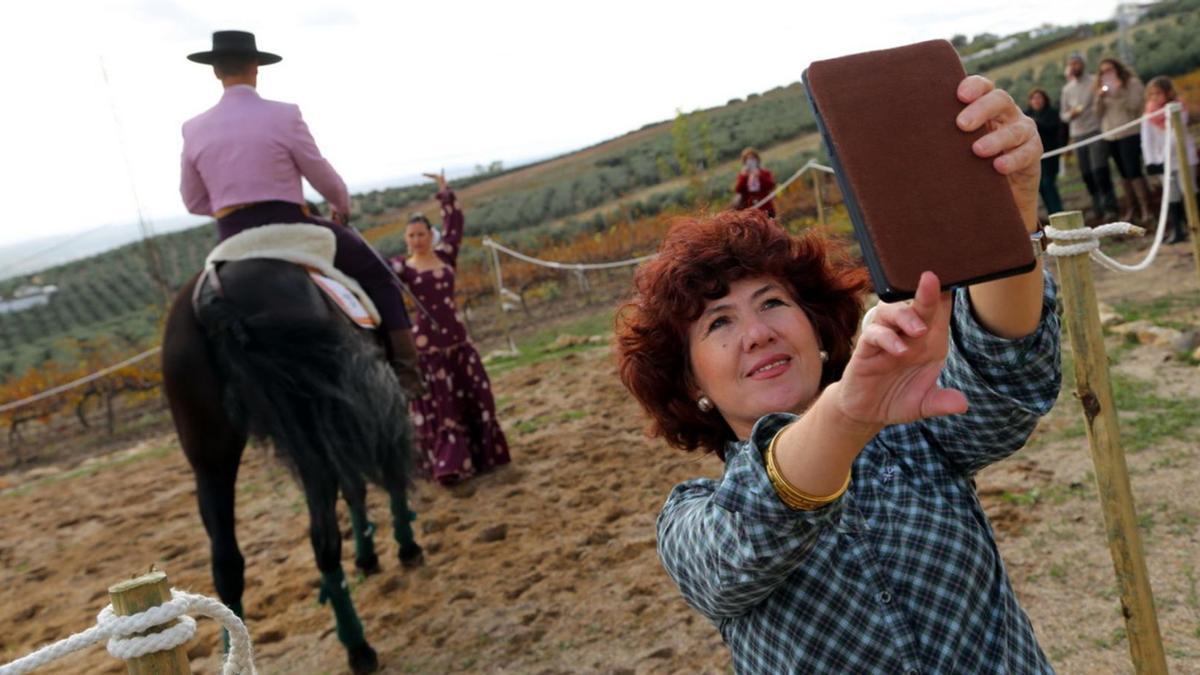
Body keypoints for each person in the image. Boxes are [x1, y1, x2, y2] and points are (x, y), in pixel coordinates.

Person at [615, 75, 1061, 672]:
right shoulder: (693, 521)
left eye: (773, 302)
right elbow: (752, 535)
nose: (758, 332)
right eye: (718, 323)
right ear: (691, 383)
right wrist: (849, 411)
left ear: (818, 331)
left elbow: (1008, 375)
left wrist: (1008, 217)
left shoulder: (916, 438)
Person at [179, 30, 426, 398]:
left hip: (230, 240)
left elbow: (193, 200)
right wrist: (339, 205)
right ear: (255, 67)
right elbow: (320, 173)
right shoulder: (284, 115)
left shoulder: (193, 128)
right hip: (293, 228)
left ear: (215, 72)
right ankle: (406, 374)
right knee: (379, 274)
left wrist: (229, 206)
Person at [389, 173, 511, 485]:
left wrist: (445, 192)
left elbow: (455, 224)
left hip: (458, 343)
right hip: (429, 351)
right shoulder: (403, 268)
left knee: (476, 397)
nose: (417, 240)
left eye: (421, 234)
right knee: (443, 408)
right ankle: (449, 464)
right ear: (406, 240)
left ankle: (483, 456)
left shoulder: (446, 257)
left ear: (431, 235)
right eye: (411, 236)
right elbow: (375, 274)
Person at [1061, 53, 1119, 221]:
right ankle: (1097, 206)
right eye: (1071, 64)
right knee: (1086, 173)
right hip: (1078, 134)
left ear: (1083, 64)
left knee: (1099, 169)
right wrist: (1070, 115)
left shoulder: (1094, 81)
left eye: (1076, 63)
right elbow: (1063, 115)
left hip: (1095, 130)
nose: (1074, 67)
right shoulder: (1067, 90)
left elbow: (1101, 104)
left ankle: (1110, 206)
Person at [1095, 57, 1153, 225]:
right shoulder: (1099, 88)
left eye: (1109, 70)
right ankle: (1131, 207)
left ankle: (1146, 207)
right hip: (1110, 135)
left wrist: (1119, 92)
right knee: (1122, 173)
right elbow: (1097, 114)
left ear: (1117, 69)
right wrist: (1100, 97)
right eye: (1103, 71)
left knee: (1133, 170)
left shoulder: (1132, 83)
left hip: (1129, 132)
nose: (1106, 73)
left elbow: (1135, 106)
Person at [1141, 76, 1197, 244]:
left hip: (1183, 157)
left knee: (1188, 190)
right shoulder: (1149, 114)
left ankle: (1194, 225)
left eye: (1158, 93)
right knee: (1171, 195)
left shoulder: (1178, 108)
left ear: (1168, 92)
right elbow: (1147, 139)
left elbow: (1175, 135)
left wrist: (1165, 155)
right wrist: (1151, 161)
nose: (1154, 97)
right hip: (1161, 161)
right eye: (1151, 94)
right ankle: (1178, 229)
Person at [1025, 88, 1067, 216]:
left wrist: (1036, 123)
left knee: (1048, 183)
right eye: (1034, 98)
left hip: (1050, 155)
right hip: (1035, 158)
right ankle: (1052, 214)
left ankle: (1058, 212)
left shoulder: (1052, 114)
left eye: (1039, 98)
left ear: (1044, 99)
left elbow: (1054, 130)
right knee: (1041, 186)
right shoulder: (1027, 115)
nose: (1036, 101)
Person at [731, 148, 777, 218]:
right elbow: (738, 189)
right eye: (748, 159)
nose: (751, 161)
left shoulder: (764, 172)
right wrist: (744, 176)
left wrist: (760, 176)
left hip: (766, 208)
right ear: (745, 162)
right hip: (750, 211)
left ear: (757, 159)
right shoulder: (743, 175)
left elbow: (771, 185)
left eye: (753, 158)